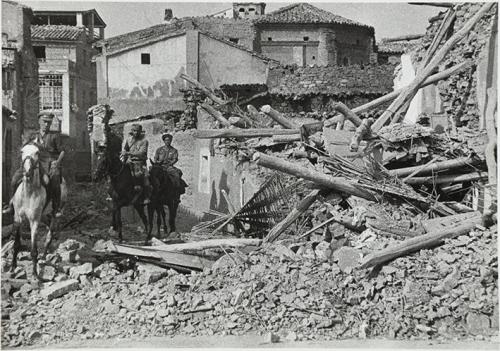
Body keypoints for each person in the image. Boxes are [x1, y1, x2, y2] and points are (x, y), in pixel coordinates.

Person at [3, 111, 65, 217]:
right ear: (39, 122)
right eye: (44, 122)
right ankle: (11, 205)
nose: (46, 124)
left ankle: (56, 208)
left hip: (49, 164)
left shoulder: (54, 136)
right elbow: (24, 147)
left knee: (54, 180)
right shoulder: (33, 135)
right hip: (34, 162)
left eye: (49, 123)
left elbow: (62, 151)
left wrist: (57, 163)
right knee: (14, 179)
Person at [121, 124, 151, 204]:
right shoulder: (129, 140)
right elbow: (125, 149)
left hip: (140, 163)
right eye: (134, 131)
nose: (136, 132)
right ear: (132, 131)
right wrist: (124, 153)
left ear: (140, 132)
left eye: (138, 131)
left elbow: (141, 153)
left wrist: (128, 153)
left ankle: (146, 197)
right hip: (129, 162)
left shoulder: (144, 141)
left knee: (145, 179)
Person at [153, 133, 187, 198]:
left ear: (171, 141)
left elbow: (175, 159)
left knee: (177, 174)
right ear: (164, 141)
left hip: (169, 167)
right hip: (159, 166)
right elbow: (155, 158)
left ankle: (177, 191)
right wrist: (157, 162)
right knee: (151, 174)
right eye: (166, 140)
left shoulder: (174, 150)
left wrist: (169, 164)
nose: (167, 142)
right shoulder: (159, 150)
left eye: (169, 140)